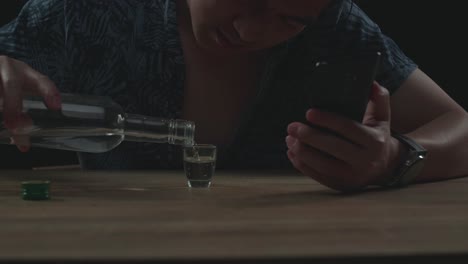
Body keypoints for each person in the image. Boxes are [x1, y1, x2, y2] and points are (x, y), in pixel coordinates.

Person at [0, 0, 467, 192]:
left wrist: (396, 159)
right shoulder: (86, 15)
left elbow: (460, 126)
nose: (250, 32)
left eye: (289, 21)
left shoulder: (334, 27)